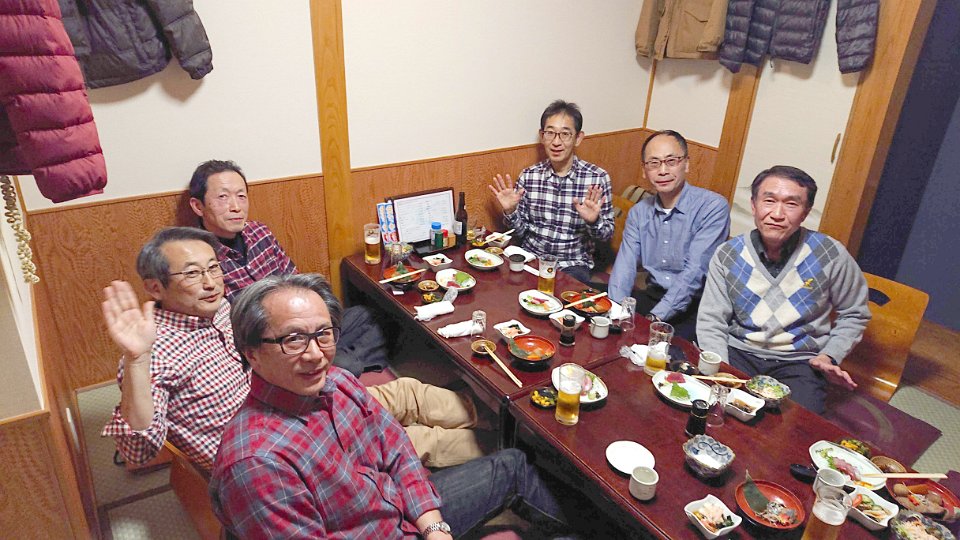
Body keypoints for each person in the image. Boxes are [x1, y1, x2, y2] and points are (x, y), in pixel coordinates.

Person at [211, 273, 571, 539]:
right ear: (252, 353)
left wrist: (433, 526)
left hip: (401, 514)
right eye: (293, 339)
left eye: (323, 333)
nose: (315, 354)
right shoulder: (257, 465)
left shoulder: (337, 382)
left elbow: (396, 448)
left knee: (513, 465)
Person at [101, 227, 483, 470]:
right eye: (192, 273)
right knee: (411, 438)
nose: (210, 282)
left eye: (213, 268)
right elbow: (137, 451)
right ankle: (497, 446)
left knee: (405, 391)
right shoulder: (154, 352)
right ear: (154, 287)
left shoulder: (220, 310)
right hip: (276, 449)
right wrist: (136, 359)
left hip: (291, 400)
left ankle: (490, 419)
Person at [697, 166, 871, 414]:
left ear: (805, 212)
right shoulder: (728, 254)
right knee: (713, 409)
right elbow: (711, 319)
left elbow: (855, 313)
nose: (777, 214)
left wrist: (829, 356)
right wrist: (721, 368)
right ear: (754, 205)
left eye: (791, 204)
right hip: (737, 352)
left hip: (799, 363)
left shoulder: (830, 254)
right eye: (769, 201)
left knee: (797, 426)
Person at [187, 159, 386, 376]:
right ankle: (337, 366)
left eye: (241, 196)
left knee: (368, 315)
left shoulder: (259, 232)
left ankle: (326, 365)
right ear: (198, 206)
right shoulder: (199, 258)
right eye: (223, 197)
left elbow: (295, 279)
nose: (235, 206)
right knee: (348, 364)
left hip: (304, 322)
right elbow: (228, 330)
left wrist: (315, 320)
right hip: (272, 344)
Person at [607, 130, 729, 340]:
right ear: (644, 170)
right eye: (654, 163)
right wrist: (615, 311)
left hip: (695, 305)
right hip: (653, 294)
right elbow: (625, 266)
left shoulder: (712, 207)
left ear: (686, 164)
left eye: (671, 161)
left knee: (659, 348)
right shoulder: (639, 212)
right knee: (596, 314)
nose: (662, 171)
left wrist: (653, 320)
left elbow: (694, 272)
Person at [488, 100, 614, 284]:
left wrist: (593, 221)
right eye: (550, 133)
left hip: (572, 264)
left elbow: (607, 234)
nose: (556, 142)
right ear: (542, 136)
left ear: (578, 138)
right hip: (532, 259)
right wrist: (510, 210)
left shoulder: (597, 179)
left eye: (565, 134)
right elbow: (520, 232)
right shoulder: (529, 176)